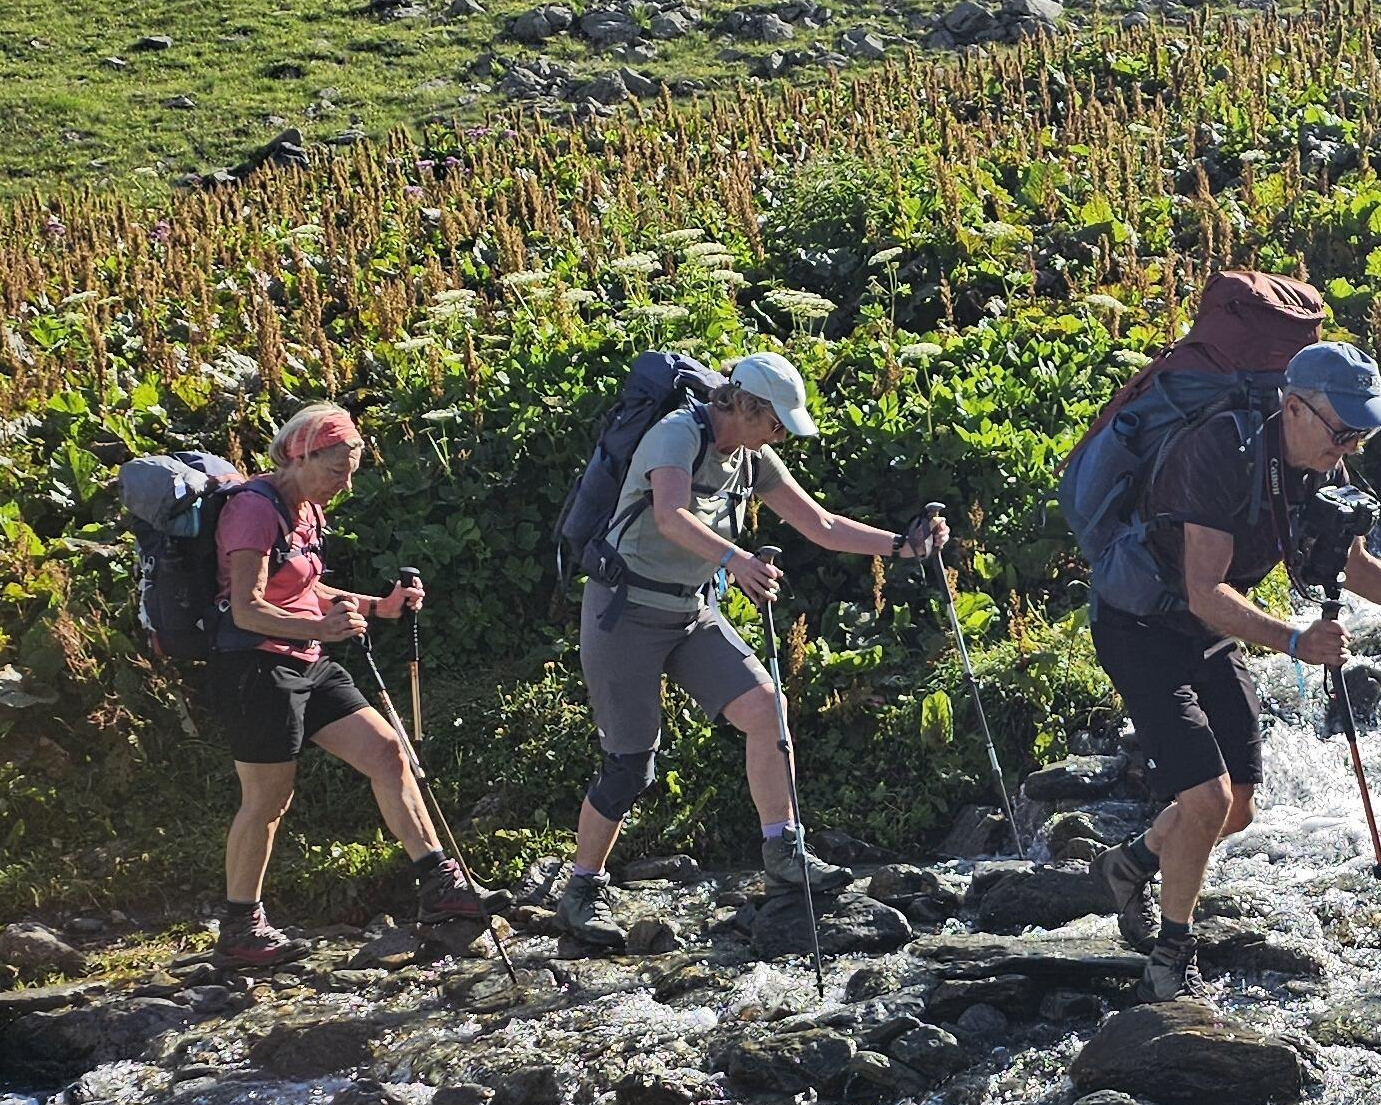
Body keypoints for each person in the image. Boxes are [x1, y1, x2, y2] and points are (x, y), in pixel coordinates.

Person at [1090, 341, 1381, 999]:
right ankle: (1171, 955)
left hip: (1208, 634)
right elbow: (1204, 589)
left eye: (1362, 433)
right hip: (1141, 627)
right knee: (1207, 800)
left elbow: (1356, 566)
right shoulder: (1219, 451)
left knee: (1237, 808)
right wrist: (1292, 640)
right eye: (1343, 430)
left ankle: (1130, 864)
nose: (1351, 446)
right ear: (1294, 409)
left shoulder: (1324, 464)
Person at [555, 352, 943, 947]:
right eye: (776, 422)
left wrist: (904, 548)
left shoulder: (752, 457)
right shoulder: (676, 435)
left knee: (766, 708)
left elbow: (821, 525)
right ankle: (582, 889)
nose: (782, 434)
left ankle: (784, 851)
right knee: (630, 765)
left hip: (690, 612)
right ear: (746, 407)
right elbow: (670, 515)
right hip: (624, 613)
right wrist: (735, 560)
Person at [207, 401, 488, 967]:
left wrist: (380, 606)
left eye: (351, 471)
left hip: (308, 659)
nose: (346, 484)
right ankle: (240, 928)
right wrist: (321, 629)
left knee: (387, 751)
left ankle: (440, 885)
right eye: (337, 470)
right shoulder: (252, 511)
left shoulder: (306, 509)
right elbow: (245, 608)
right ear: (300, 457)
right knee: (268, 799)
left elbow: (306, 587)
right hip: (256, 669)